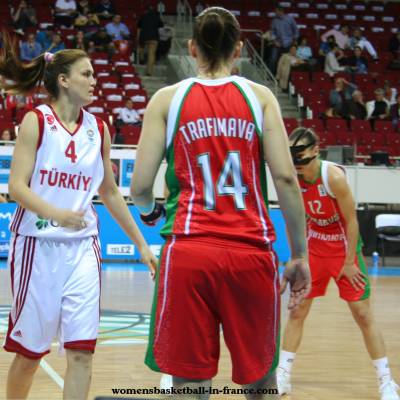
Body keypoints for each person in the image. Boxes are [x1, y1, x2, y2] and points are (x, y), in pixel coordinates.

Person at [130, 7, 310, 399]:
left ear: (192, 47)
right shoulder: (260, 97)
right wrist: (299, 254)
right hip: (251, 252)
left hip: (189, 252)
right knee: (261, 381)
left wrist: (150, 212)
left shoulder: (167, 99)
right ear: (239, 49)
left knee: (190, 383)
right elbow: (285, 179)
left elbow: (140, 186)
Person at [0, 35, 157, 400]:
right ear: (63, 80)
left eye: (94, 74)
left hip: (83, 248)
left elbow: (110, 192)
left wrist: (142, 244)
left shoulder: (98, 129)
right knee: (28, 356)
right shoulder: (35, 122)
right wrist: (57, 214)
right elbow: (17, 188)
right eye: (85, 74)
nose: (93, 80)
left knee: (82, 351)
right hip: (37, 247)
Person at [277, 127, 400, 400]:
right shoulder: (290, 179)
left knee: (363, 314)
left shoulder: (333, 177)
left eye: (303, 159)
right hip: (314, 249)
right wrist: (298, 257)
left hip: (343, 249)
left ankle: (386, 382)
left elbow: (352, 221)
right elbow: (291, 220)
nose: (298, 166)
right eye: (293, 160)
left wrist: (349, 262)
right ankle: (282, 374)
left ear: (316, 152)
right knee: (298, 310)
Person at [268, 6, 299, 74]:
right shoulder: (274, 21)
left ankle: (287, 75)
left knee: (287, 60)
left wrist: (295, 40)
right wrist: (275, 41)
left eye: (276, 11)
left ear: (281, 11)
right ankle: (270, 75)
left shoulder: (290, 19)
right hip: (278, 42)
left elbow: (295, 30)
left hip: (289, 43)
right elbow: (272, 32)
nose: (275, 13)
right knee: (273, 59)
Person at [137, 6, 164, 76]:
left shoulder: (143, 16)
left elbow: (139, 27)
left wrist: (137, 38)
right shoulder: (156, 17)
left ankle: (141, 58)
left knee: (141, 49)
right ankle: (149, 72)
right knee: (151, 54)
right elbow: (161, 25)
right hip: (154, 37)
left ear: (146, 11)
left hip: (143, 37)